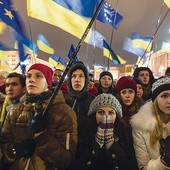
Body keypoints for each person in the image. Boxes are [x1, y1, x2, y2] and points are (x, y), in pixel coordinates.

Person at [0, 63, 77, 170]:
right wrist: (15, 150)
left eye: (38, 76)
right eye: (28, 76)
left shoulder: (65, 113)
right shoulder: (14, 110)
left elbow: (65, 160)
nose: (31, 80)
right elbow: (3, 145)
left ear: (48, 82)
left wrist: (43, 136)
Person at [82, 93, 137, 170]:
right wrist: (97, 143)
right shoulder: (84, 132)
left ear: (116, 116)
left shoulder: (125, 133)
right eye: (101, 112)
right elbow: (80, 163)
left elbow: (129, 164)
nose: (106, 116)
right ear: (94, 115)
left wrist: (111, 145)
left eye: (111, 113)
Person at [131, 76, 170, 169]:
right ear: (155, 100)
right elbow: (143, 166)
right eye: (164, 96)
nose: (169, 101)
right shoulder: (141, 126)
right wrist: (164, 161)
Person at [64, 61, 94, 170]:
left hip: (87, 152)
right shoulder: (62, 100)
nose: (77, 79)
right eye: (74, 76)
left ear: (86, 80)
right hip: (66, 151)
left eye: (81, 76)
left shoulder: (93, 101)